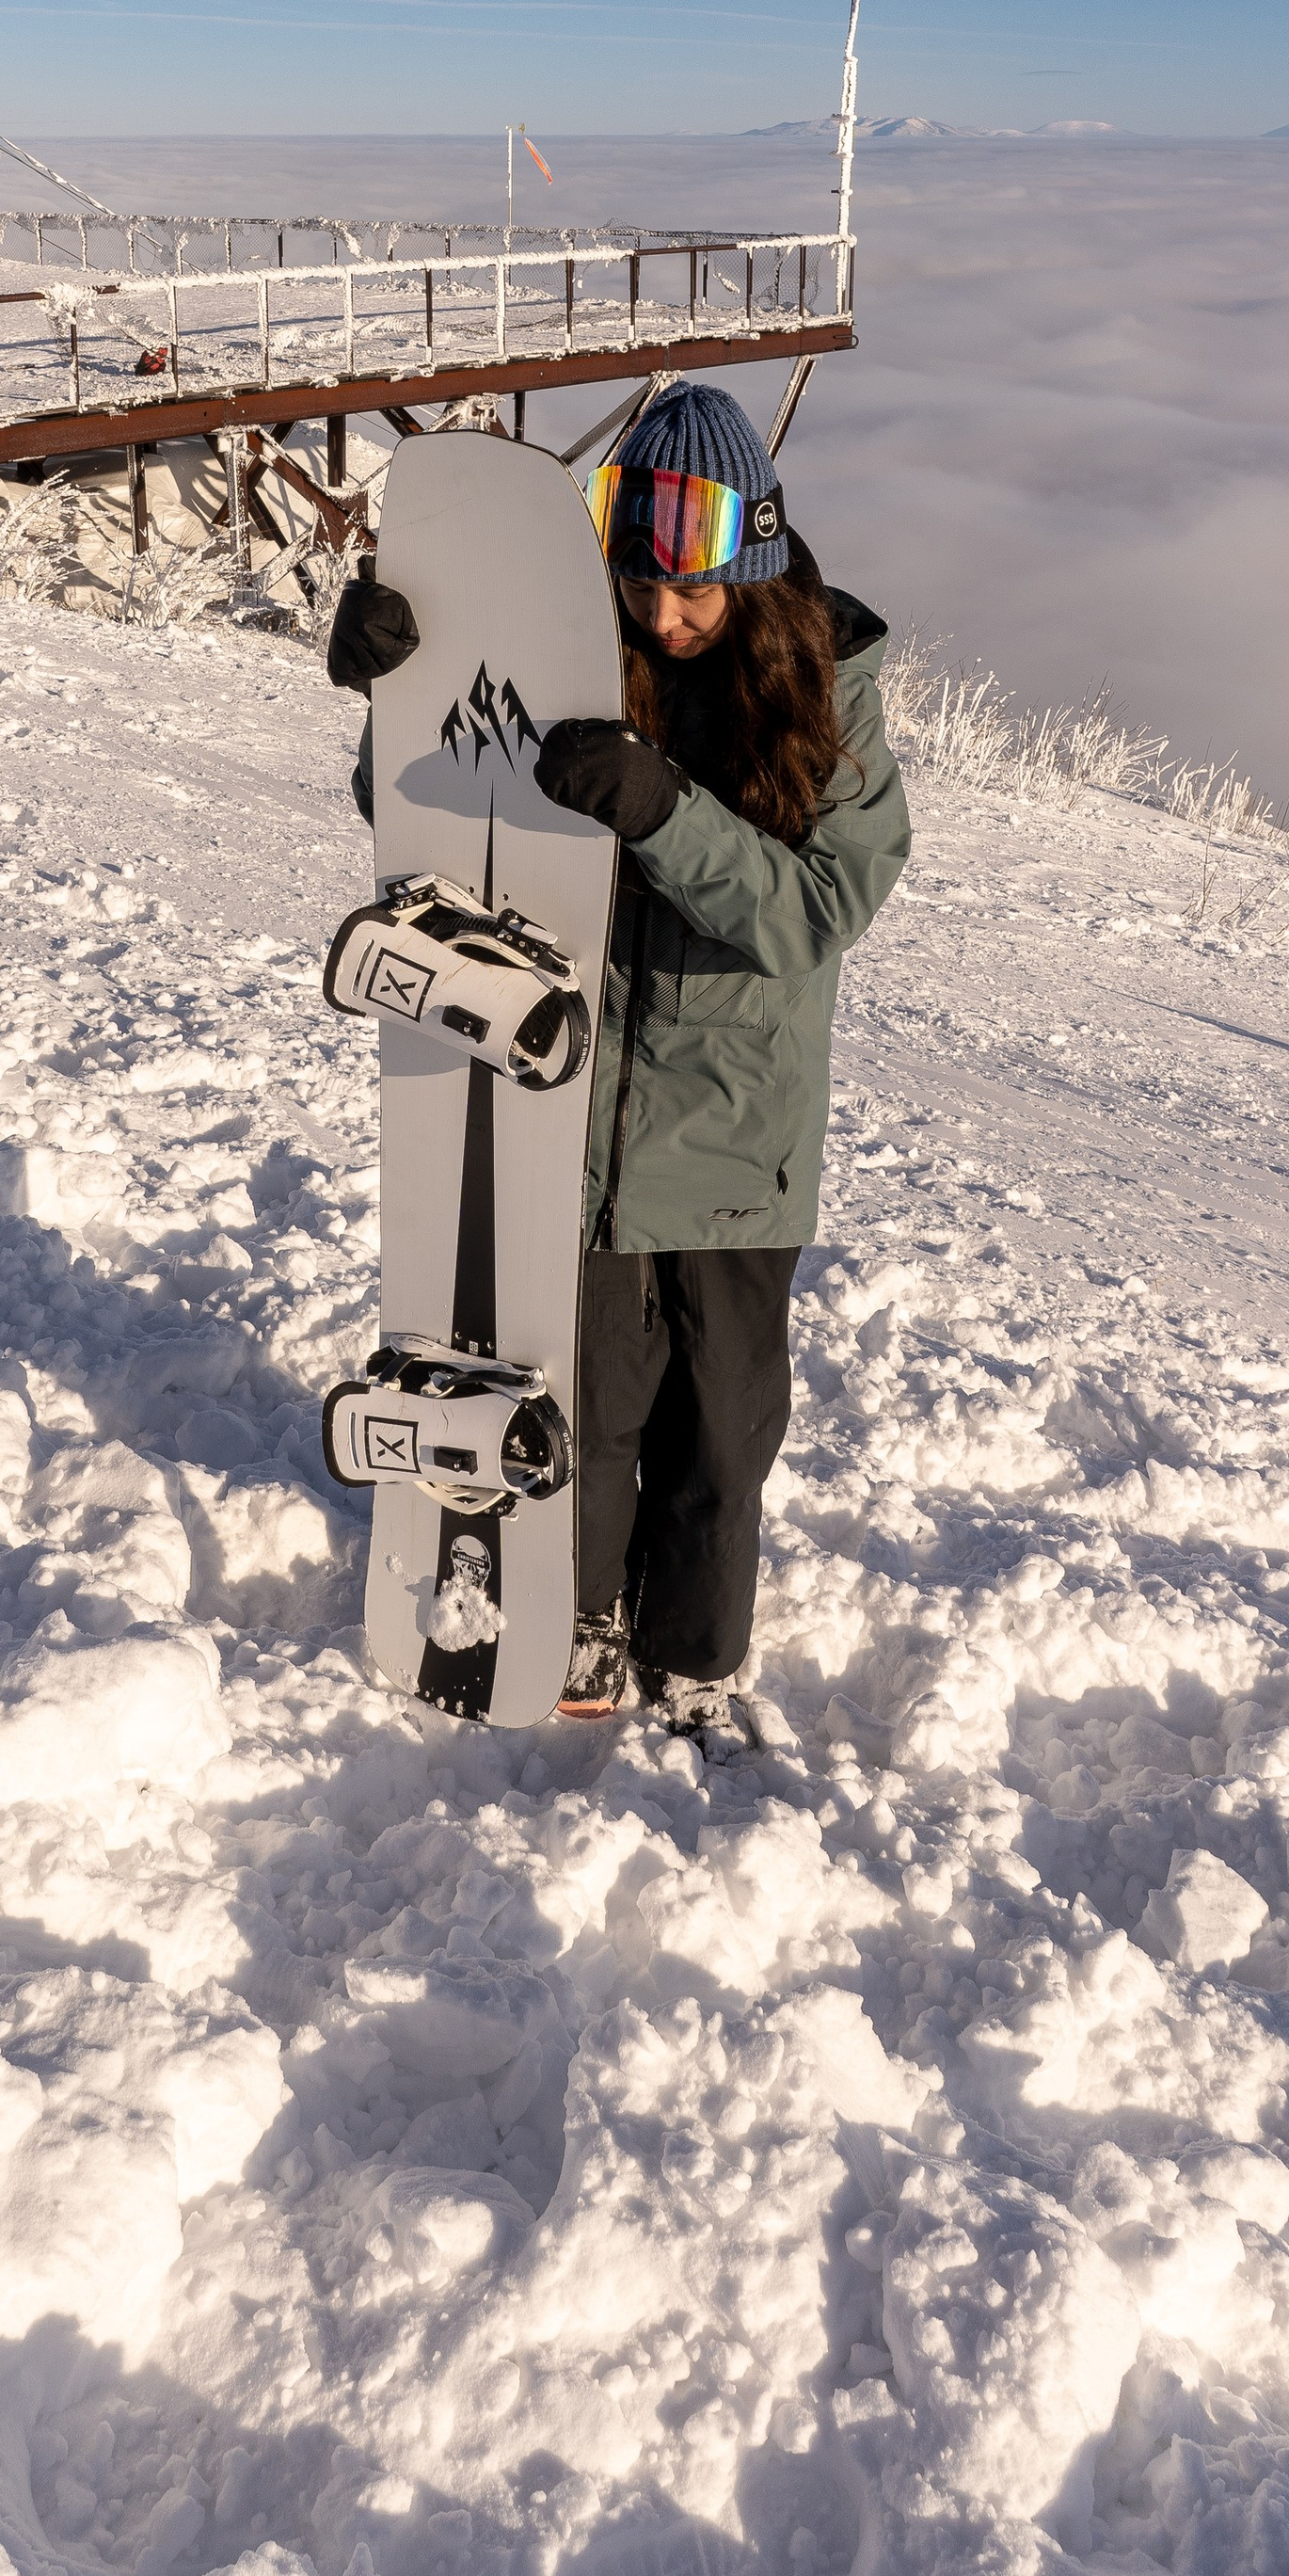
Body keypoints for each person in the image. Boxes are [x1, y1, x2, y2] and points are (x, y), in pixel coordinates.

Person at [327, 378, 910, 1737]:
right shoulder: (574, 656)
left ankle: (697, 1655)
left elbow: (815, 913)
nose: (664, 615)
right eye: (643, 583)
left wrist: (663, 810)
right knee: (587, 1404)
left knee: (722, 1431)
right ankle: (576, 1621)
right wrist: (391, 684)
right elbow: (427, 805)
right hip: (575, 1123)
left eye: (696, 593)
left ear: (755, 568)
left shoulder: (831, 699)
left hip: (733, 1146)